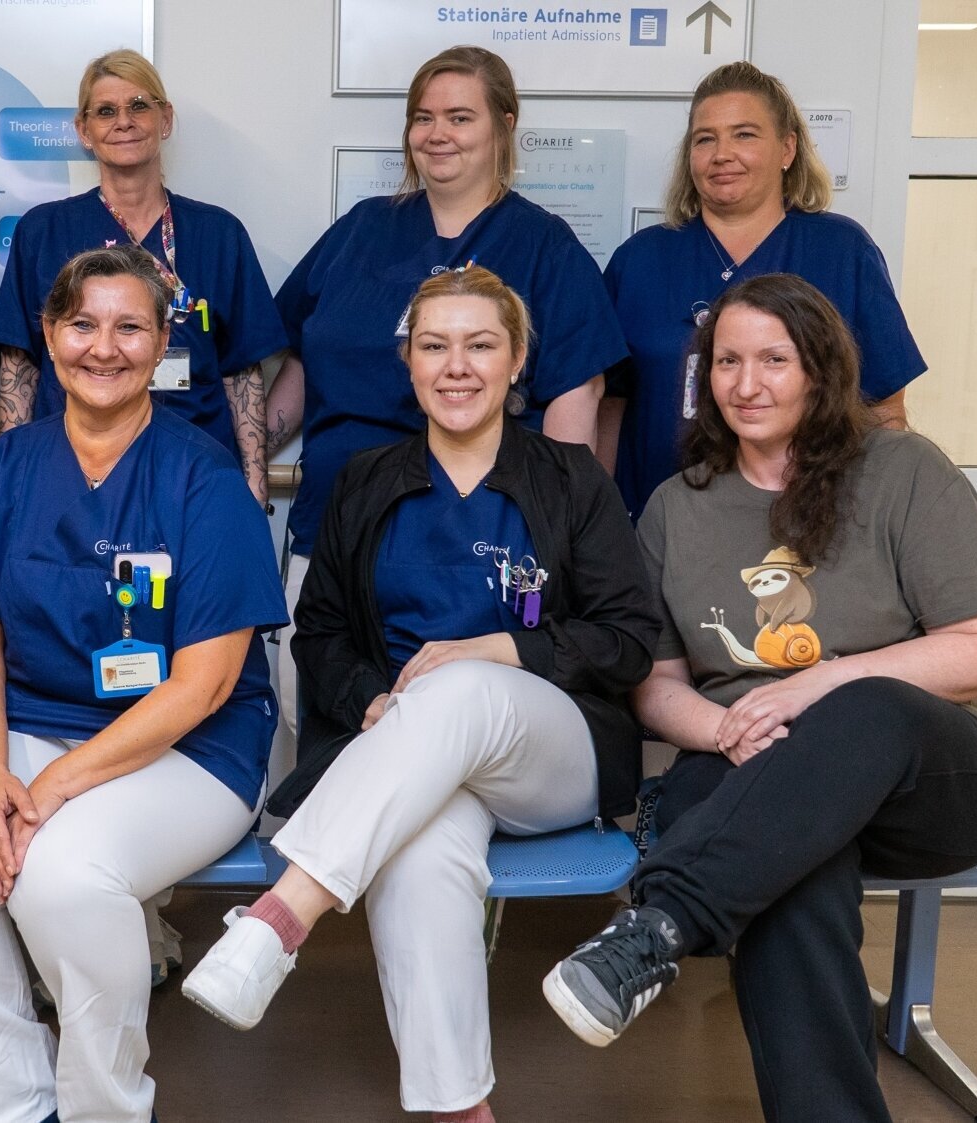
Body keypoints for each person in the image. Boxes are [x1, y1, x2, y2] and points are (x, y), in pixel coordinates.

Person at [182, 266, 658, 1122]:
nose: (457, 366)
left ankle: (281, 917)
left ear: (518, 362)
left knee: (464, 686)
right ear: (408, 363)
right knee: (424, 850)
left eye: (481, 345)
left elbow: (628, 641)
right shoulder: (366, 480)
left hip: (551, 756)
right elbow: (319, 631)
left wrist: (496, 647)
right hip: (405, 752)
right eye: (434, 346)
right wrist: (370, 697)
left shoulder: (572, 478)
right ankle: (457, 1108)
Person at [544, 275, 977, 1123]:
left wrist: (818, 683)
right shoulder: (675, 508)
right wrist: (727, 728)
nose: (747, 383)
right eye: (727, 360)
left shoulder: (905, 470)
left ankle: (660, 926)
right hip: (751, 773)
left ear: (820, 370)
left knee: (860, 705)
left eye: (774, 359)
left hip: (928, 776)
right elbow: (656, 681)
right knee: (792, 865)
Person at [0, 245, 287, 1123]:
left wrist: (52, 789)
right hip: (29, 721)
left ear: (163, 341)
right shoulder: (2, 470)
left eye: (130, 326)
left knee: (63, 875)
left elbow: (207, 681)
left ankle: (106, 1105)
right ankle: (21, 1102)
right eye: (83, 324)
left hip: (191, 742)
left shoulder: (204, 476)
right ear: (50, 334)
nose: (104, 347)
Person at [265, 45, 626, 787]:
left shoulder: (543, 245)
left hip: (481, 543)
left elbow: (575, 397)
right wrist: (241, 457)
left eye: (460, 116)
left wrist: (563, 532)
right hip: (341, 524)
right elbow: (298, 357)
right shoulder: (363, 230)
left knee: (459, 731)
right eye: (422, 118)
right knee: (323, 708)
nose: (438, 133)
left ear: (504, 126)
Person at [601, 61, 925, 519]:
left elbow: (884, 408)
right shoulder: (640, 261)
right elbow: (609, 408)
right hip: (658, 524)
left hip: (808, 523)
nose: (722, 153)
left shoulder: (840, 250)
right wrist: (600, 523)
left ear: (787, 148)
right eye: (705, 138)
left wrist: (878, 524)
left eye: (745, 135)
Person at [0, 49, 285, 505]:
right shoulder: (44, 231)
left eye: (139, 106)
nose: (123, 121)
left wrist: (254, 480)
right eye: (105, 111)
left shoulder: (218, 232)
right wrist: (12, 473)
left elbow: (242, 371)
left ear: (165, 120)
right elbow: (19, 363)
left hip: (197, 469)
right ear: (83, 131)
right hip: (71, 470)